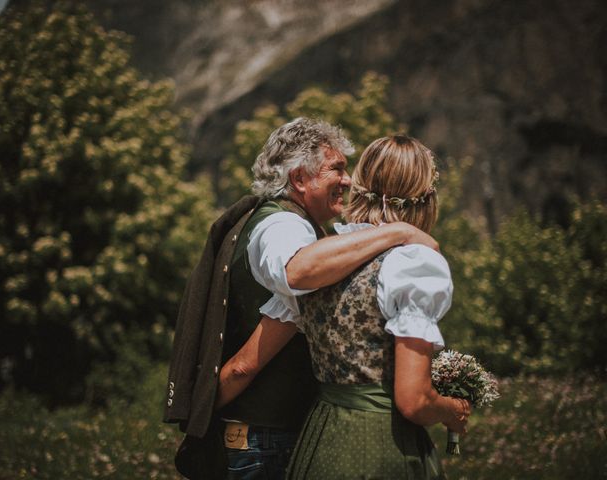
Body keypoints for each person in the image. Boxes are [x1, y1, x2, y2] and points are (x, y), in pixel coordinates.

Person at [164, 119, 441, 480]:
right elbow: (297, 273)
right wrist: (399, 231)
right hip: (266, 442)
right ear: (298, 179)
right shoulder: (285, 227)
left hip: (254, 438)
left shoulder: (271, 218)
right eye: (337, 169)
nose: (349, 181)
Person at [218, 134, 471, 479]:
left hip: (319, 440)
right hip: (381, 442)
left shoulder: (328, 258)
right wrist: (451, 408)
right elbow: (413, 401)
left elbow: (245, 363)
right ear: (426, 199)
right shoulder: (413, 263)